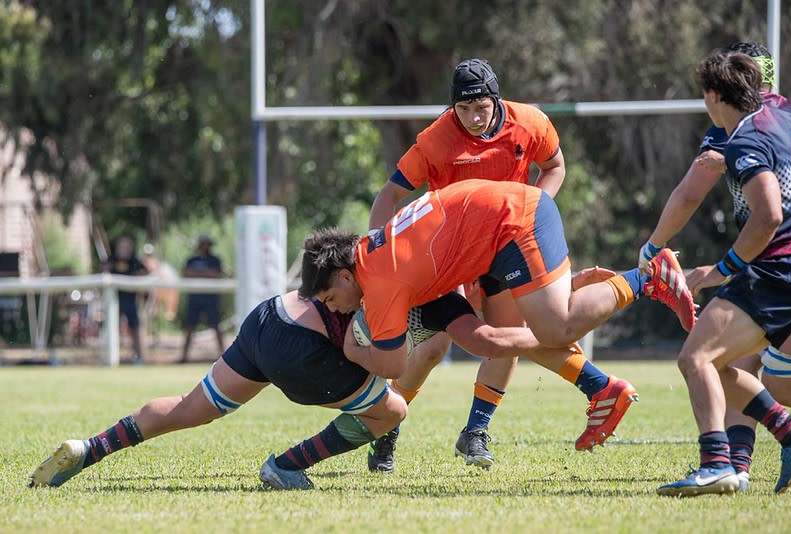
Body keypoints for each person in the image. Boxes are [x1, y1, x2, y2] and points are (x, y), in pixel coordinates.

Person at [30, 289, 600, 490]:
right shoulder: (442, 291)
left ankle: (90, 449)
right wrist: (555, 330)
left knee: (190, 409)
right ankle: (285, 465)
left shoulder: (389, 248)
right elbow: (485, 340)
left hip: (268, 318)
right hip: (306, 350)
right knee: (392, 409)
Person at [300, 180, 697, 457]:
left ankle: (647, 278)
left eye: (332, 298)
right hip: (489, 238)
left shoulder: (380, 281)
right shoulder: (370, 252)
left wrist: (352, 350)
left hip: (514, 222)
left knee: (558, 326)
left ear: (346, 275)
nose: (335, 308)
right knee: (486, 341)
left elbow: (391, 364)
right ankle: (600, 384)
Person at [367, 58, 567, 471]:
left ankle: (475, 432)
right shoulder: (435, 140)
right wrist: (379, 251)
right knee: (432, 346)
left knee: (506, 336)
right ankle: (387, 424)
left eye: (481, 108)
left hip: (504, 247)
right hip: (448, 253)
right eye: (463, 110)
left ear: (496, 100)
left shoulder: (530, 122)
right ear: (451, 107)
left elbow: (555, 167)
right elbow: (389, 196)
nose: (473, 119)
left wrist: (534, 214)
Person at [638, 42, 791, 494]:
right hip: (789, 269)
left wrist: (721, 269)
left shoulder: (743, 137)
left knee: (695, 357)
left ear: (714, 95)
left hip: (778, 269)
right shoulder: (790, 117)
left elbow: (768, 215)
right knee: (726, 363)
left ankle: (716, 464)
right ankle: (789, 434)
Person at [101, 235, 148, 363]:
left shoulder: (134, 261)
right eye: (121, 246)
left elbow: (145, 272)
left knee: (135, 328)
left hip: (130, 300)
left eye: (126, 247)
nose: (123, 249)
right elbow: (102, 271)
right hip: (113, 301)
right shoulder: (111, 260)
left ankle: (139, 357)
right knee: (111, 327)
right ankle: (110, 356)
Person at [181, 235, 225, 363]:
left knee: (216, 325)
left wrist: (197, 273)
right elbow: (186, 273)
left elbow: (215, 274)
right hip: (194, 297)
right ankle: (184, 356)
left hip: (211, 298)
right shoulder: (191, 259)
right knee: (190, 326)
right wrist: (205, 273)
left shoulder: (215, 260)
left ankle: (223, 356)